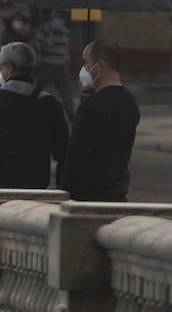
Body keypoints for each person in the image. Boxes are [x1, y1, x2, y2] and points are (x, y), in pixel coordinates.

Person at [0, 41, 69, 189]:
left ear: (9, 69)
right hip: (36, 186)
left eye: (0, 66)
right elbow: (63, 152)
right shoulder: (51, 104)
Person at [60, 39, 140, 201]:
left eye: (86, 62)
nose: (83, 70)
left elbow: (76, 160)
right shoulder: (130, 102)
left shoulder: (92, 106)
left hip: (88, 198)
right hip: (118, 195)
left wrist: (65, 195)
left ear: (101, 65)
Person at [33, 9, 76, 124]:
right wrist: (46, 44)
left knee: (66, 92)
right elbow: (38, 47)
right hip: (46, 65)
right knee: (36, 88)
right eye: (56, 14)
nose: (58, 17)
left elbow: (66, 48)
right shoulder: (43, 30)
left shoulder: (65, 31)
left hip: (61, 66)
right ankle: (29, 110)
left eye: (60, 15)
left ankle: (71, 116)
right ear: (51, 15)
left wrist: (67, 61)